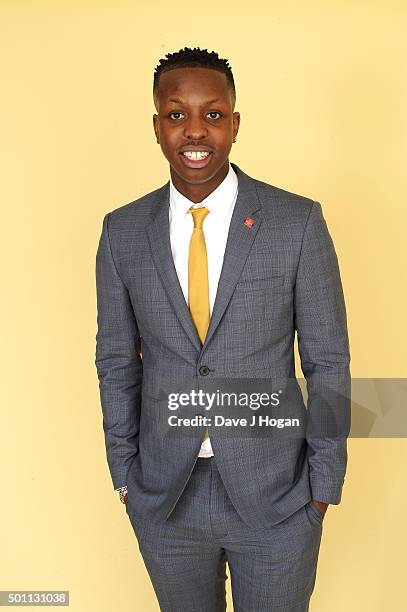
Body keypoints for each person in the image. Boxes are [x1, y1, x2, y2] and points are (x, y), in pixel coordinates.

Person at [95, 46, 351, 612]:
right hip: (166, 496)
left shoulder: (296, 222)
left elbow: (328, 361)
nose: (195, 131)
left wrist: (322, 486)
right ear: (157, 125)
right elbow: (116, 361)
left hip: (280, 498)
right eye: (177, 114)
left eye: (212, 115)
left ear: (234, 123)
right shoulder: (123, 232)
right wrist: (125, 475)